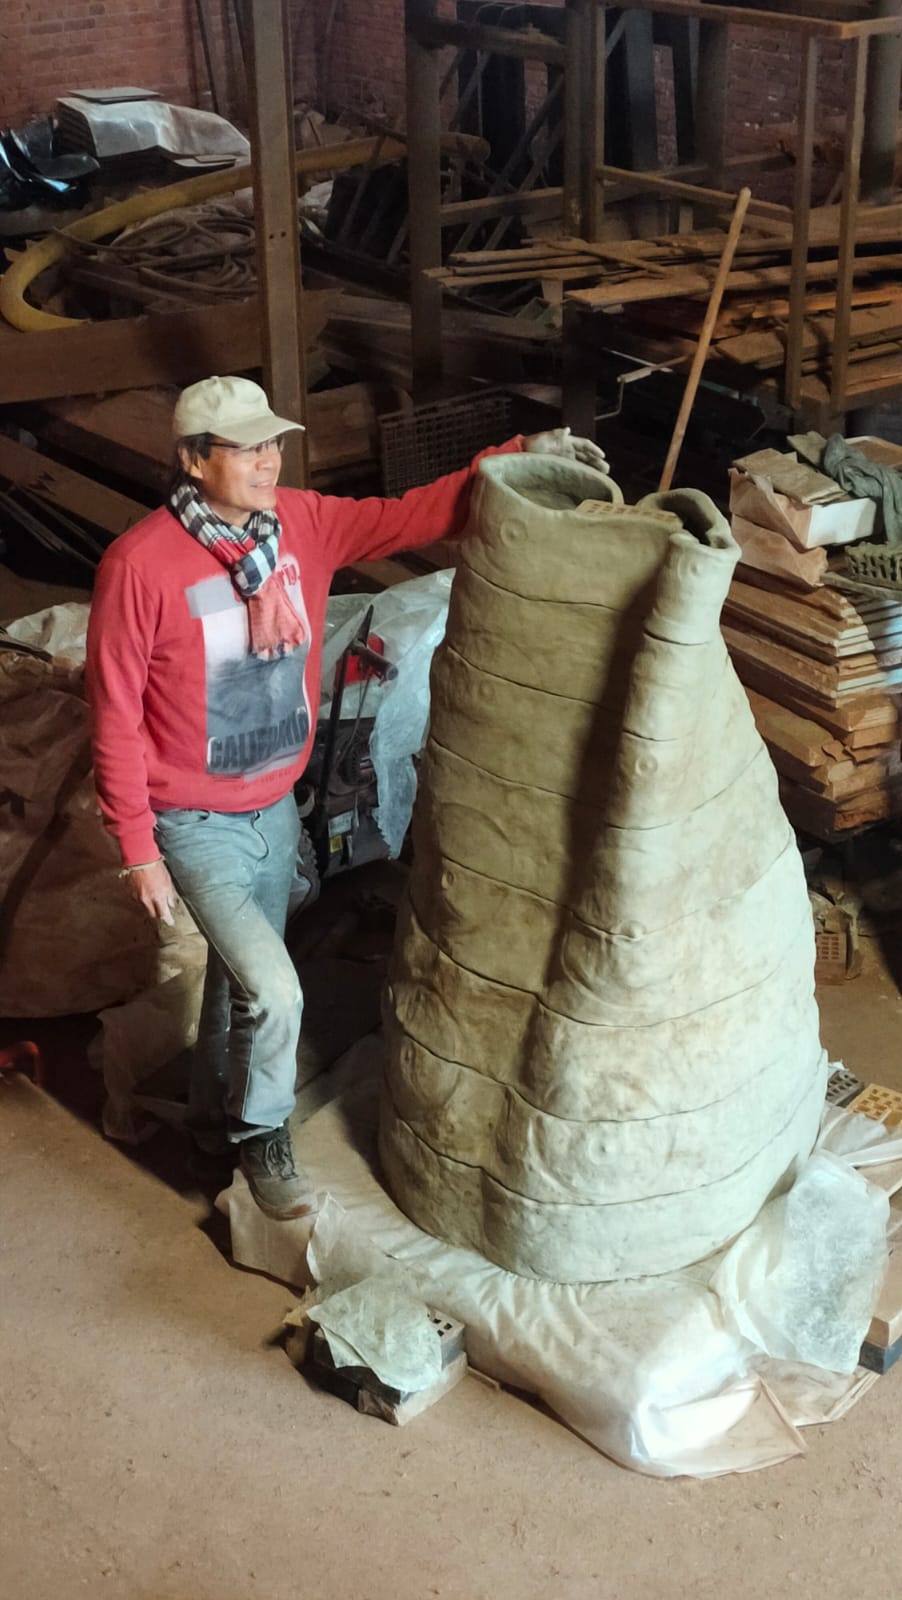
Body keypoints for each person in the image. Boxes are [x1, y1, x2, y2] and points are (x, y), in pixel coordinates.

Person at [86, 375, 608, 1220]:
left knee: (236, 983)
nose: (268, 461)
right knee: (276, 990)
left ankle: (211, 1126)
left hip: (274, 806)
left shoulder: (304, 523)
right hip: (196, 821)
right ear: (194, 460)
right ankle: (263, 1140)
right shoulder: (139, 566)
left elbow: (417, 513)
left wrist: (519, 457)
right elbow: (113, 713)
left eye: (272, 444)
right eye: (246, 448)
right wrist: (139, 850)